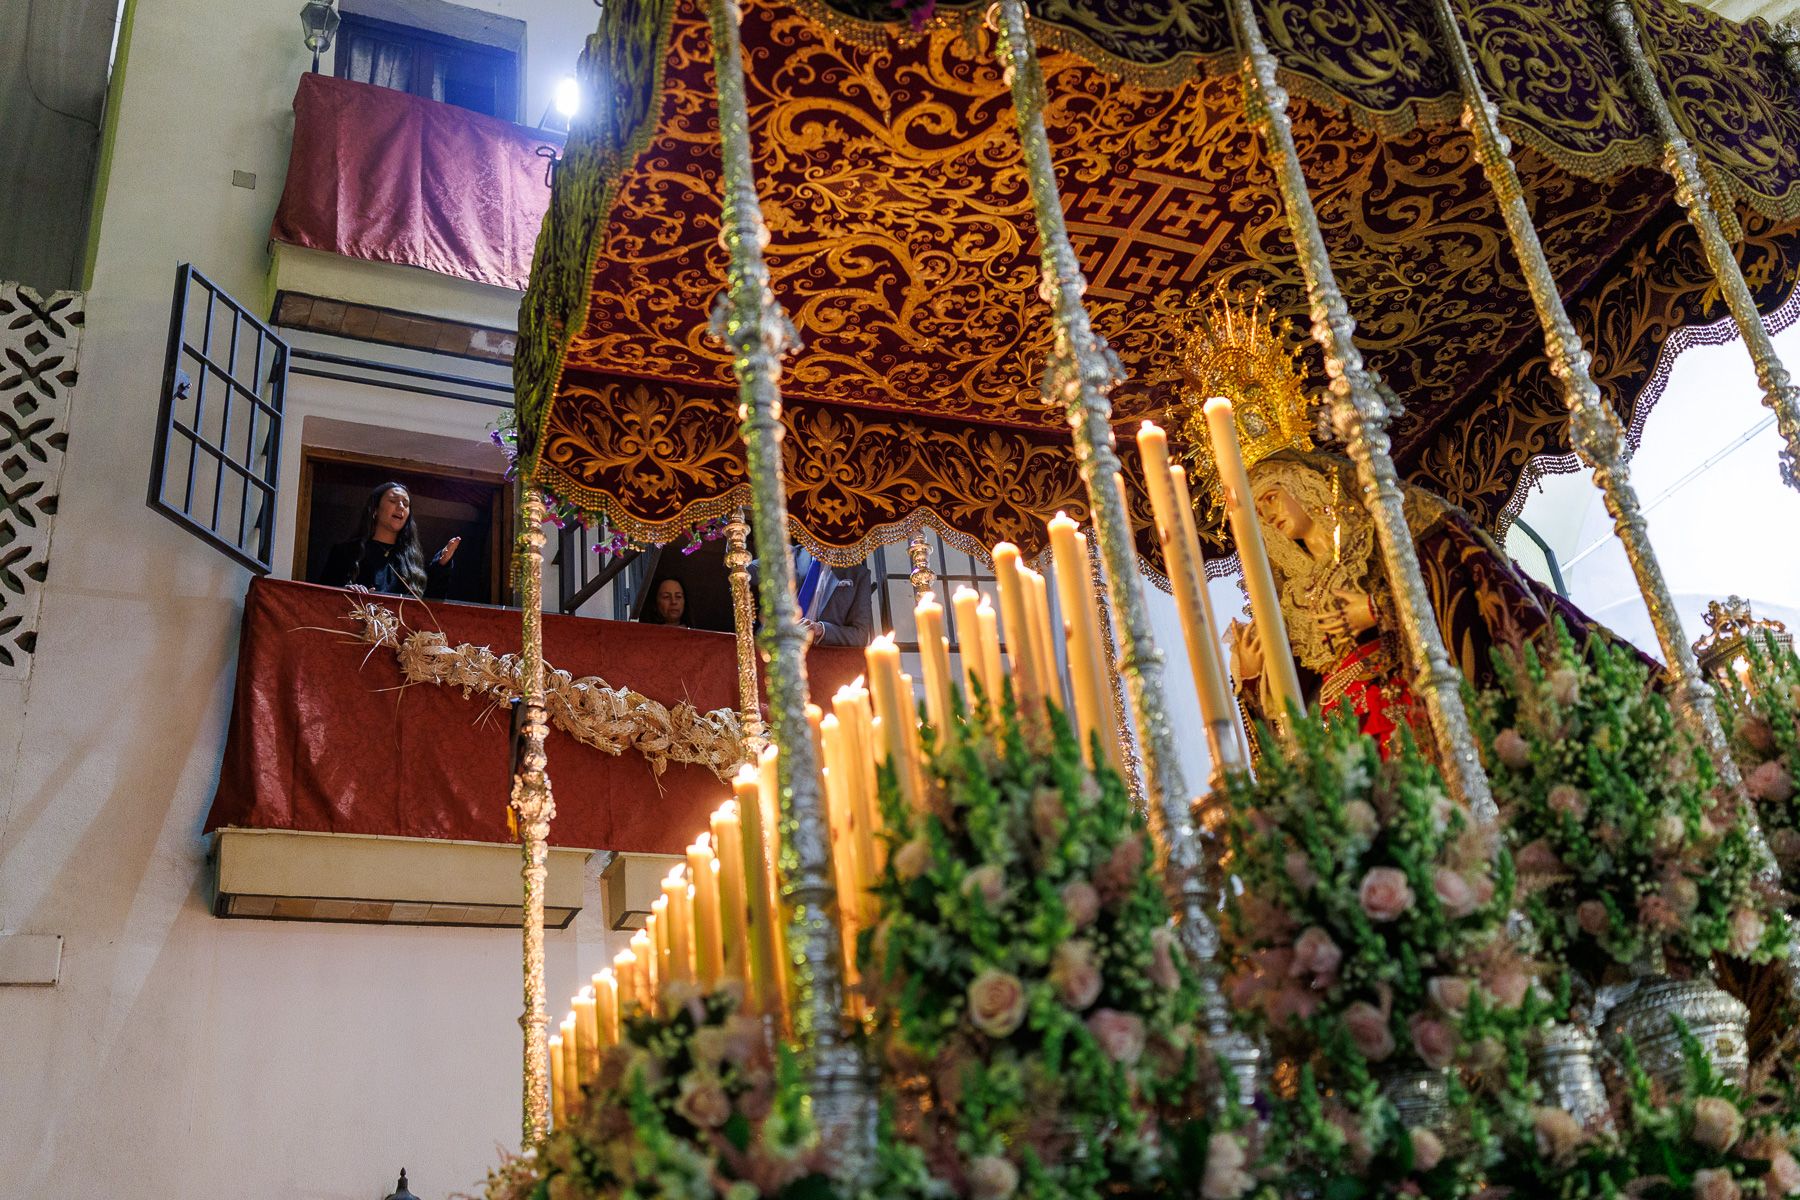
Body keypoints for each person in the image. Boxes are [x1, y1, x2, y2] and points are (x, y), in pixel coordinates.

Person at [1228, 448, 1647, 752]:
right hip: (1353, 741)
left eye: (1270, 497)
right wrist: (1251, 678)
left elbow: (1457, 581)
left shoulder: (1386, 528)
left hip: (1420, 705)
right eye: (1258, 513)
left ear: (1304, 483)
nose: (1268, 516)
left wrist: (1378, 609)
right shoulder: (1293, 598)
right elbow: (1292, 713)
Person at [316, 481, 459, 600]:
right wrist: (347, 593)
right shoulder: (345, 552)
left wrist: (442, 565)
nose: (401, 506)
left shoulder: (412, 560)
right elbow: (321, 599)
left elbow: (429, 608)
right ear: (375, 510)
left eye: (406, 503)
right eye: (393, 501)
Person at [793, 550, 874, 647]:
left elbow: (860, 635)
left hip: (822, 655)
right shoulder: (786, 555)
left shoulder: (858, 574)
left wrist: (821, 629)